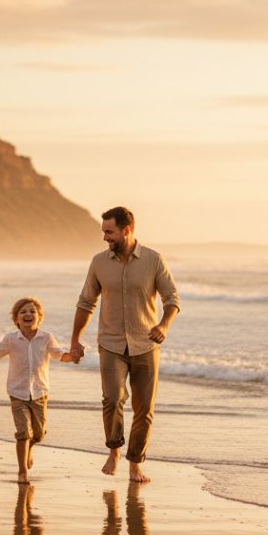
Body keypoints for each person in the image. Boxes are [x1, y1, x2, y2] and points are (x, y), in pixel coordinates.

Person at [71, 207, 179, 484]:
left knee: (144, 409)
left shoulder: (154, 260)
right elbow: (86, 302)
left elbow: (171, 299)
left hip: (146, 344)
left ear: (126, 230)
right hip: (111, 343)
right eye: (104, 232)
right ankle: (114, 451)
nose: (105, 237)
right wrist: (75, 340)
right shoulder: (99, 262)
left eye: (109, 232)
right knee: (112, 399)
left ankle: (135, 464)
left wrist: (164, 325)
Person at [0, 297, 78, 484]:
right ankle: (22, 472)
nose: (28, 314)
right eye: (23, 312)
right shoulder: (11, 339)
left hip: (40, 393)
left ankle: (29, 448)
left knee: (38, 434)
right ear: (17, 319)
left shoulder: (46, 338)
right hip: (17, 393)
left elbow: (60, 355)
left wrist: (73, 356)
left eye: (32, 311)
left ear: (40, 317)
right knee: (23, 433)